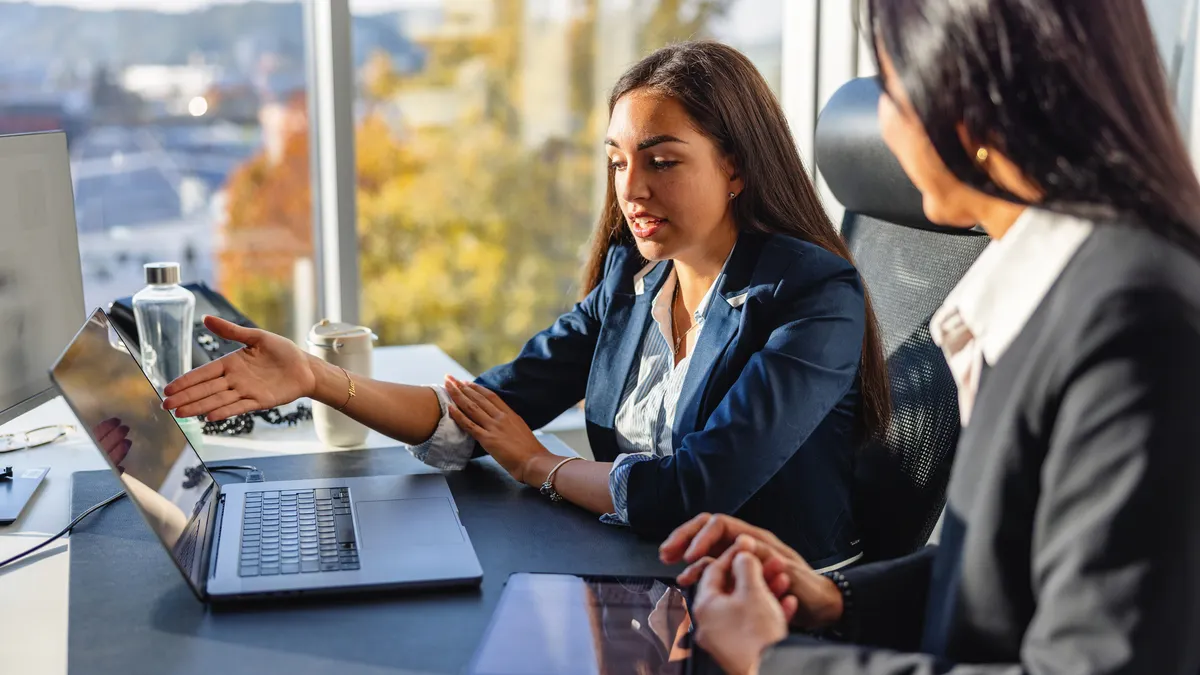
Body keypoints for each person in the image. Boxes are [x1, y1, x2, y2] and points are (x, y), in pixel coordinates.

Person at [160, 41, 891, 568]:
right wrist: (320, 380)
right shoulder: (630, 282)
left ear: (735, 166)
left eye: (661, 160)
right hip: (648, 573)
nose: (630, 189)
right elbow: (478, 414)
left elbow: (695, 487)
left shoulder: (814, 296)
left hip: (773, 611)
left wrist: (540, 464)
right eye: (616, 161)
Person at [662, 1, 1200, 673]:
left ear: (965, 99)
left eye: (890, 86)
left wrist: (774, 658)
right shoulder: (1055, 294)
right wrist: (835, 597)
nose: (880, 122)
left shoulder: (1132, 324)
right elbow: (1016, 565)